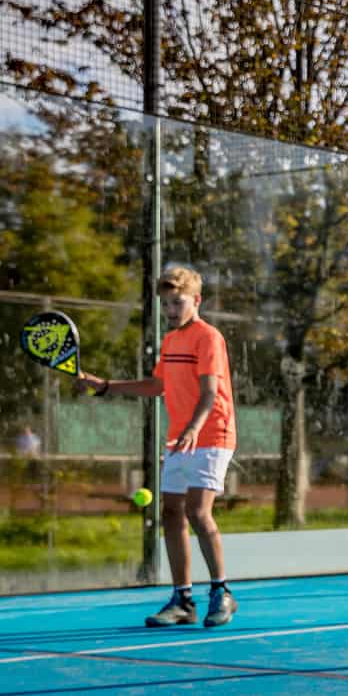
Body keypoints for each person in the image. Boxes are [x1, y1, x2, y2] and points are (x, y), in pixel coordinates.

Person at [76, 265, 239, 628]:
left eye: (177, 303)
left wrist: (194, 428)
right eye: (165, 304)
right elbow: (156, 385)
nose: (171, 310)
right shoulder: (171, 341)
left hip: (212, 434)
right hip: (180, 437)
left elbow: (210, 392)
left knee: (198, 511)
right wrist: (105, 386)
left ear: (196, 301)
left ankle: (221, 592)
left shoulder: (208, 337)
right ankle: (183, 600)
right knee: (170, 514)